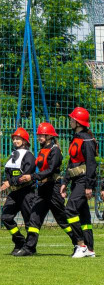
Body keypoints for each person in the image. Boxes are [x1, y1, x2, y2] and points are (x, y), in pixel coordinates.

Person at [18, 122, 89, 257]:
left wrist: (32, 177)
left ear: (49, 136)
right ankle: (29, 247)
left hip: (53, 189)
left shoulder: (55, 150)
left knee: (62, 220)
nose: (39, 137)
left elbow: (50, 170)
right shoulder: (42, 149)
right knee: (34, 218)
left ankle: (79, 244)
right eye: (38, 135)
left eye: (41, 135)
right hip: (43, 189)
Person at [60, 107, 96, 258]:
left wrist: (89, 186)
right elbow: (72, 162)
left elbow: (91, 164)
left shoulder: (87, 140)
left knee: (70, 210)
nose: (70, 121)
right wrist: (65, 181)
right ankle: (90, 249)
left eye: (72, 119)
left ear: (78, 122)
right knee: (84, 216)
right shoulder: (76, 137)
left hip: (83, 181)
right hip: (76, 181)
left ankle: (81, 245)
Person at [0, 128, 34, 255]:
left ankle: (30, 248)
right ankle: (19, 241)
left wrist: (10, 182)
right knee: (6, 217)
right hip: (14, 193)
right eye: (14, 139)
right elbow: (9, 172)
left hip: (26, 192)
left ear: (25, 140)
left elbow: (27, 174)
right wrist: (8, 182)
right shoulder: (13, 155)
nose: (15, 141)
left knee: (29, 221)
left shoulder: (28, 155)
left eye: (18, 138)